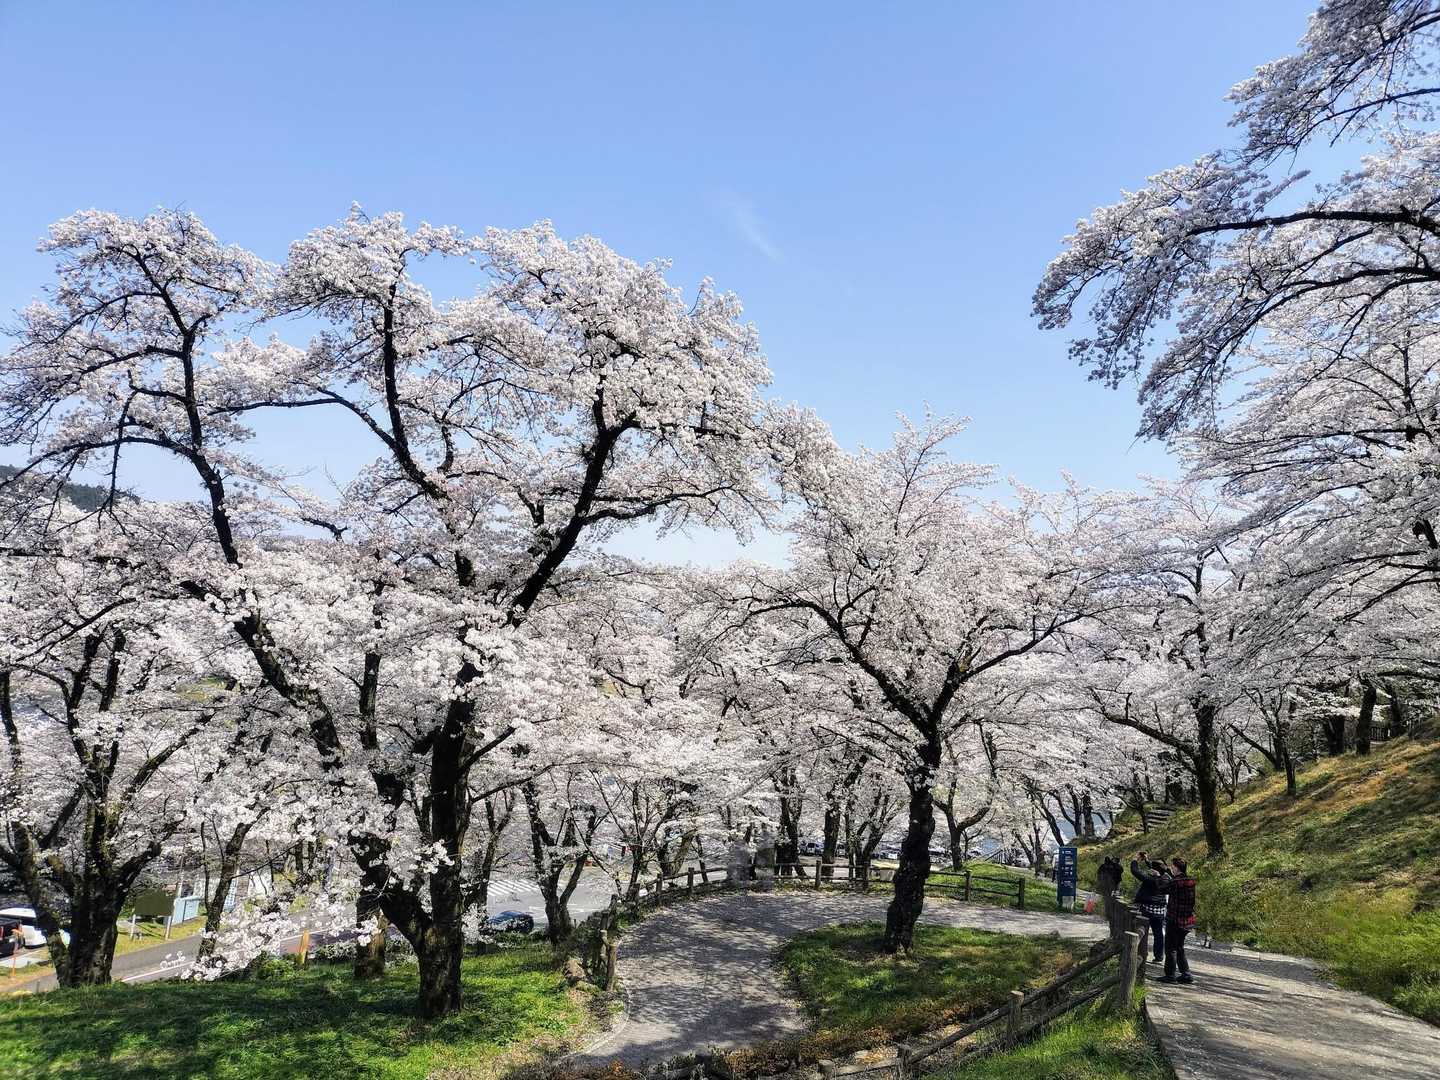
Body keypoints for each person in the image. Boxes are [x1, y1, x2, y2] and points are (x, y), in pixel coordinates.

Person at [1130, 851, 1171, 963]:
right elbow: (1162, 870)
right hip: (1160, 911)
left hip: (1147, 909)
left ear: (1154, 871)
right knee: (1158, 934)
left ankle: (1141, 955)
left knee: (1142, 932)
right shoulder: (1166, 878)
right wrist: (1147, 861)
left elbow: (1135, 871)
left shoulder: (1150, 880)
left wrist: (1135, 859)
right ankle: (1159, 957)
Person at [1163, 856, 1197, 984]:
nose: (1171, 868)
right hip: (1187, 920)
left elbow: (1162, 888)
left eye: (1172, 866)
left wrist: (1161, 875)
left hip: (1174, 918)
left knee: (1170, 948)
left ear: (1176, 868)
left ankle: (1170, 975)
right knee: (1179, 947)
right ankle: (1186, 974)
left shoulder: (1175, 882)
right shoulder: (1190, 881)